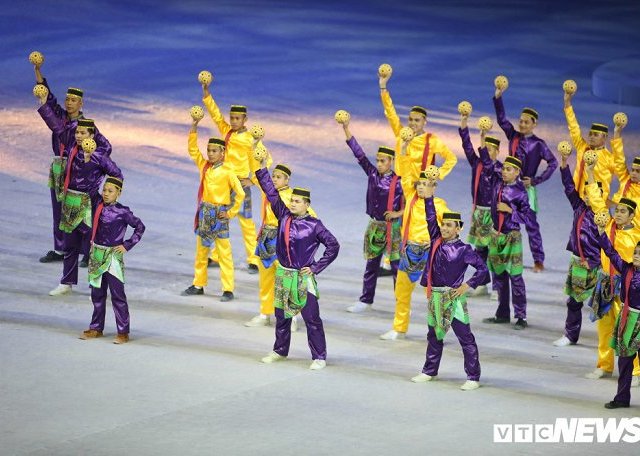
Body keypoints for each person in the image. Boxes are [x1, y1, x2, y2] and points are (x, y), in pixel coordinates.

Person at [255, 160, 339, 370]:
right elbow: (270, 192)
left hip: (302, 277)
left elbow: (333, 245)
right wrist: (261, 167)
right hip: (284, 275)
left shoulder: (315, 225)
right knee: (281, 317)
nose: (292, 204)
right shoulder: (283, 216)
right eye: (291, 200)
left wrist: (316, 267)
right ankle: (279, 350)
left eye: (297, 201)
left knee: (311, 318)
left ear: (307, 204)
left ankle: (319, 356)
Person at [410, 181, 489, 390]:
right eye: (443, 224)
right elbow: (430, 217)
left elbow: (483, 270)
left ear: (458, 228)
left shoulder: (464, 249)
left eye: (449, 225)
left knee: (465, 337)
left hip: (454, 299)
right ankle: (429, 370)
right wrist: (428, 197)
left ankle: (473, 376)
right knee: (434, 336)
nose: (444, 228)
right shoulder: (436, 240)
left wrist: (467, 285)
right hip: (435, 296)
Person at [34, 61, 111, 267]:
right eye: (67, 99)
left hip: (78, 170)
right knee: (59, 210)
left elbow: (105, 146)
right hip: (59, 169)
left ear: (81, 104)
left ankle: (89, 251)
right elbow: (48, 98)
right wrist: (38, 71)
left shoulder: (86, 126)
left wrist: (92, 162)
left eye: (73, 100)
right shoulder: (60, 115)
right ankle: (62, 249)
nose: (69, 103)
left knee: (83, 213)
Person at [380, 139, 449, 340]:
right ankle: (399, 328)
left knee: (436, 293)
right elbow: (405, 170)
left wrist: (440, 242)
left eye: (426, 185)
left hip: (430, 254)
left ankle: (438, 330)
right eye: (419, 184)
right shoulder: (410, 197)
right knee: (401, 291)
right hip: (410, 251)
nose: (421, 188)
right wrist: (403, 148)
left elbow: (453, 227)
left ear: (434, 187)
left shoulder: (439, 205)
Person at [201, 78, 269, 274]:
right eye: (232, 118)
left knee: (246, 221)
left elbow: (266, 159)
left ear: (245, 119)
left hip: (240, 184)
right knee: (221, 218)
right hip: (224, 184)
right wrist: (206, 93)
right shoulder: (227, 132)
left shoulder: (251, 139)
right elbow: (215, 115)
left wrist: (253, 180)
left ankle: (254, 258)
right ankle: (216, 255)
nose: (233, 121)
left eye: (237, 118)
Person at [48, 120, 122, 296]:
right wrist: (44, 106)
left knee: (94, 247)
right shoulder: (72, 149)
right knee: (70, 245)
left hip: (90, 205)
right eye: (77, 133)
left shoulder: (100, 156)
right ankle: (66, 282)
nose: (79, 136)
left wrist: (108, 194)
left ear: (92, 135)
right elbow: (56, 127)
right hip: (70, 203)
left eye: (83, 133)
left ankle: (96, 286)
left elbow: (117, 174)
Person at [340, 118, 403, 313]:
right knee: (372, 264)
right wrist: (346, 129)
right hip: (375, 226)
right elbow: (359, 155)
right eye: (377, 160)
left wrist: (398, 213)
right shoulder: (373, 174)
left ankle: (402, 303)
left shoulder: (399, 181)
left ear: (391, 161)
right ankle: (366, 300)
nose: (379, 164)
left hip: (392, 227)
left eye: (383, 161)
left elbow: (412, 203)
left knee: (396, 266)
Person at [494, 83, 557, 272]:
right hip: (508, 186)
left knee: (531, 224)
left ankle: (538, 260)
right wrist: (498, 97)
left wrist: (535, 180)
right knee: (504, 221)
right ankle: (503, 256)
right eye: (520, 121)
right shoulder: (513, 136)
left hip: (526, 188)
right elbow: (502, 119)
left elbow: (553, 163)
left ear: (534, 124)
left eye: (526, 122)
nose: (521, 124)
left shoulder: (538, 144)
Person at [245, 163, 316, 329]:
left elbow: (311, 216)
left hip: (283, 240)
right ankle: (265, 313)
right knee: (266, 278)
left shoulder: (292, 197)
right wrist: (260, 158)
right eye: (273, 176)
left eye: (278, 177)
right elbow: (259, 174)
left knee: (287, 279)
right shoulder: (269, 192)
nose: (275, 179)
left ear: (287, 179)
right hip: (266, 239)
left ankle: (292, 316)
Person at [182, 118, 244, 301]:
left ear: (223, 152)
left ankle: (228, 289)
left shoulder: (228, 171)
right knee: (201, 251)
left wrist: (231, 212)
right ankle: (198, 284)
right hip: (205, 213)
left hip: (220, 214)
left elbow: (240, 193)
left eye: (214, 150)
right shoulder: (205, 167)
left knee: (224, 253)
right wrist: (194, 127)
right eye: (209, 150)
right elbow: (193, 150)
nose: (210, 153)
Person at [584, 188, 640, 384]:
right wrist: (591, 174)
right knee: (604, 326)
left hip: (626, 287)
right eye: (617, 210)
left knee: (629, 330)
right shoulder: (608, 226)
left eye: (623, 211)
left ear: (632, 216)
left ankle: (636, 371)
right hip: (605, 282)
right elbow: (597, 202)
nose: (618, 214)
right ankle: (604, 365)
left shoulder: (637, 236)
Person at [80, 177, 145, 344]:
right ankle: (96, 327)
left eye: (110, 191)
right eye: (104, 190)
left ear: (119, 193)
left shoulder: (123, 212)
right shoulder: (98, 205)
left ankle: (123, 331)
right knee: (97, 294)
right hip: (96, 254)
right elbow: (89, 185)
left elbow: (140, 227)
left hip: (113, 256)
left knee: (117, 295)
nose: (106, 193)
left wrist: (127, 245)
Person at [480, 152, 534, 329]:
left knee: (515, 276)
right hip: (496, 235)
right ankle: (502, 313)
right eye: (503, 168)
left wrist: (510, 210)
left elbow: (527, 217)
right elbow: (488, 164)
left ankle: (521, 316)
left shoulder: (520, 192)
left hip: (512, 237)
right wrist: (483, 142)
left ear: (517, 172)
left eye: (508, 169)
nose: (504, 171)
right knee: (499, 275)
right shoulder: (497, 183)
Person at [553, 156, 602, 346]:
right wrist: (564, 164)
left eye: (592, 194)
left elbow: (606, 244)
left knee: (604, 304)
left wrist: (594, 261)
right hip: (578, 262)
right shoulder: (579, 207)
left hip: (595, 265)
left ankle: (609, 339)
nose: (587, 197)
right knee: (574, 301)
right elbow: (569, 187)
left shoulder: (602, 218)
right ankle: (570, 335)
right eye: (586, 193)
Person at [378, 71, 457, 183]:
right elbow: (391, 113)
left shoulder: (431, 140)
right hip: (399, 187)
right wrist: (383, 87)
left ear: (425, 122)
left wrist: (437, 174)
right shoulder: (401, 133)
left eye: (417, 120)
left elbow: (451, 158)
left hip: (418, 189)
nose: (412, 123)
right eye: (410, 119)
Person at [459, 113, 501, 296]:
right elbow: (467, 145)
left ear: (497, 151)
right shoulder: (477, 164)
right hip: (479, 213)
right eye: (485, 148)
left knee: (495, 251)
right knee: (480, 250)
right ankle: (482, 284)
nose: (487, 152)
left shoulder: (499, 169)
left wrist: (483, 136)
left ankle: (498, 288)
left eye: (490, 149)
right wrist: (464, 122)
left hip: (493, 214)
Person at [597, 230, 640, 408]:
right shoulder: (627, 269)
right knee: (624, 361)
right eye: (635, 252)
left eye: (639, 254)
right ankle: (622, 398)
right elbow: (611, 253)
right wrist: (601, 234)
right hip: (627, 319)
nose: (636, 256)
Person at [564, 89, 625, 202]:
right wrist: (567, 104)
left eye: (596, 135)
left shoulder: (609, 158)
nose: (591, 137)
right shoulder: (583, 148)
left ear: (604, 137)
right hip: (579, 202)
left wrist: (615, 200)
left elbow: (623, 175)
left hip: (598, 205)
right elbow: (574, 128)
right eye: (590, 134)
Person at [608, 123, 640, 226]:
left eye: (638, 171)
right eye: (633, 170)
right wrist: (617, 132)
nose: (633, 173)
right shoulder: (626, 179)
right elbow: (619, 159)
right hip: (616, 227)